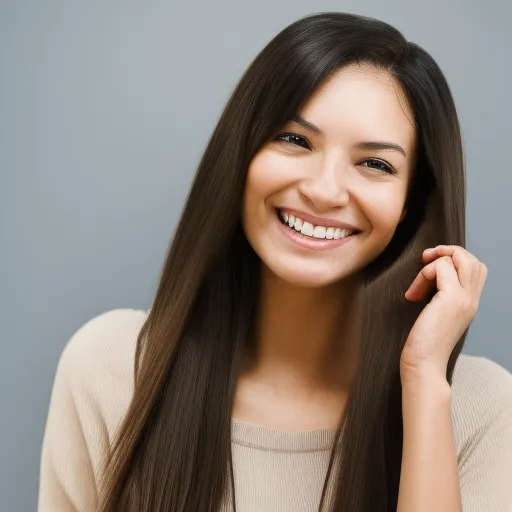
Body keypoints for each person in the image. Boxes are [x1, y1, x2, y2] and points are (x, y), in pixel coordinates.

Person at [38, 11, 512, 512]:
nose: (324, 190)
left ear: (411, 206)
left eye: (375, 164)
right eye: (294, 139)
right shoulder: (112, 371)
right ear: (240, 155)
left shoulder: (483, 410)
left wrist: (423, 382)